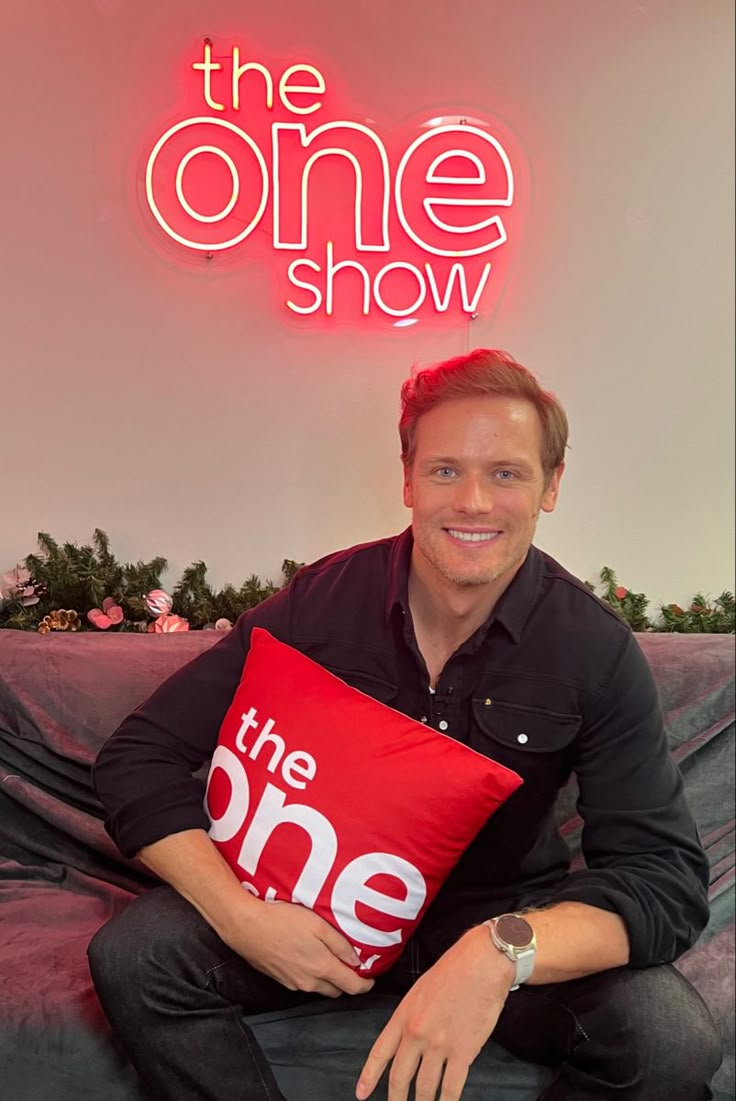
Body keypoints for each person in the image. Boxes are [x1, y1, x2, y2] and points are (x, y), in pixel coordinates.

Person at [88, 348, 722, 1101]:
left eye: (507, 473)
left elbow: (664, 880)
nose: (475, 503)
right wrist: (243, 916)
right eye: (446, 470)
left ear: (551, 486)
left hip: (497, 924)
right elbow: (137, 757)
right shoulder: (321, 602)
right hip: (312, 909)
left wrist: (498, 953)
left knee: (672, 1038)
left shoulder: (593, 647)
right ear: (408, 479)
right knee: (134, 956)